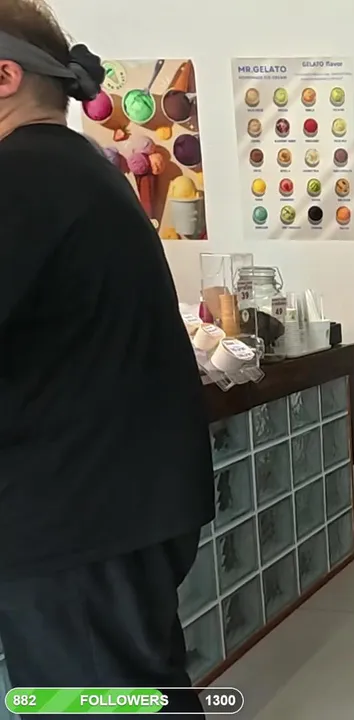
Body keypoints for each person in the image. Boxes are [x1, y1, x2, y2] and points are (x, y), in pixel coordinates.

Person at [0, 1, 213, 714]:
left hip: (76, 520)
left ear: (4, 76)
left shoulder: (20, 180)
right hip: (120, 508)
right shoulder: (78, 169)